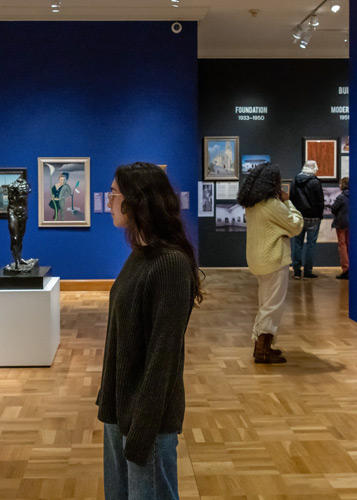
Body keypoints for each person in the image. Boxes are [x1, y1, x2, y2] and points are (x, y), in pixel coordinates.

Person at [97, 162, 203, 500]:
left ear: (136, 201)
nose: (108, 201)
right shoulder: (139, 256)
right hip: (120, 410)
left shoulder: (169, 264)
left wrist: (143, 429)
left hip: (147, 419)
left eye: (113, 194)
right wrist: (109, 401)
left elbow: (164, 356)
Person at [237, 163, 304, 364]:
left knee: (265, 303)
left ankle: (261, 344)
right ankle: (262, 350)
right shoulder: (272, 205)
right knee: (272, 305)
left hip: (258, 260)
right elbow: (296, 225)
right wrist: (288, 202)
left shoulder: (252, 204)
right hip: (273, 259)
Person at [289, 160, 324, 280]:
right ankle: (308, 272)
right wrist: (320, 214)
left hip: (299, 216)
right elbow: (320, 201)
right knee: (311, 245)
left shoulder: (295, 181)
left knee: (298, 244)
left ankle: (297, 271)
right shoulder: (315, 182)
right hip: (313, 217)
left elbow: (292, 198)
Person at [330, 177, 350, 280]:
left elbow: (333, 209)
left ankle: (346, 269)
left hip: (341, 224)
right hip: (351, 225)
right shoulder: (354, 196)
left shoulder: (341, 197)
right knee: (349, 244)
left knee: (342, 246)